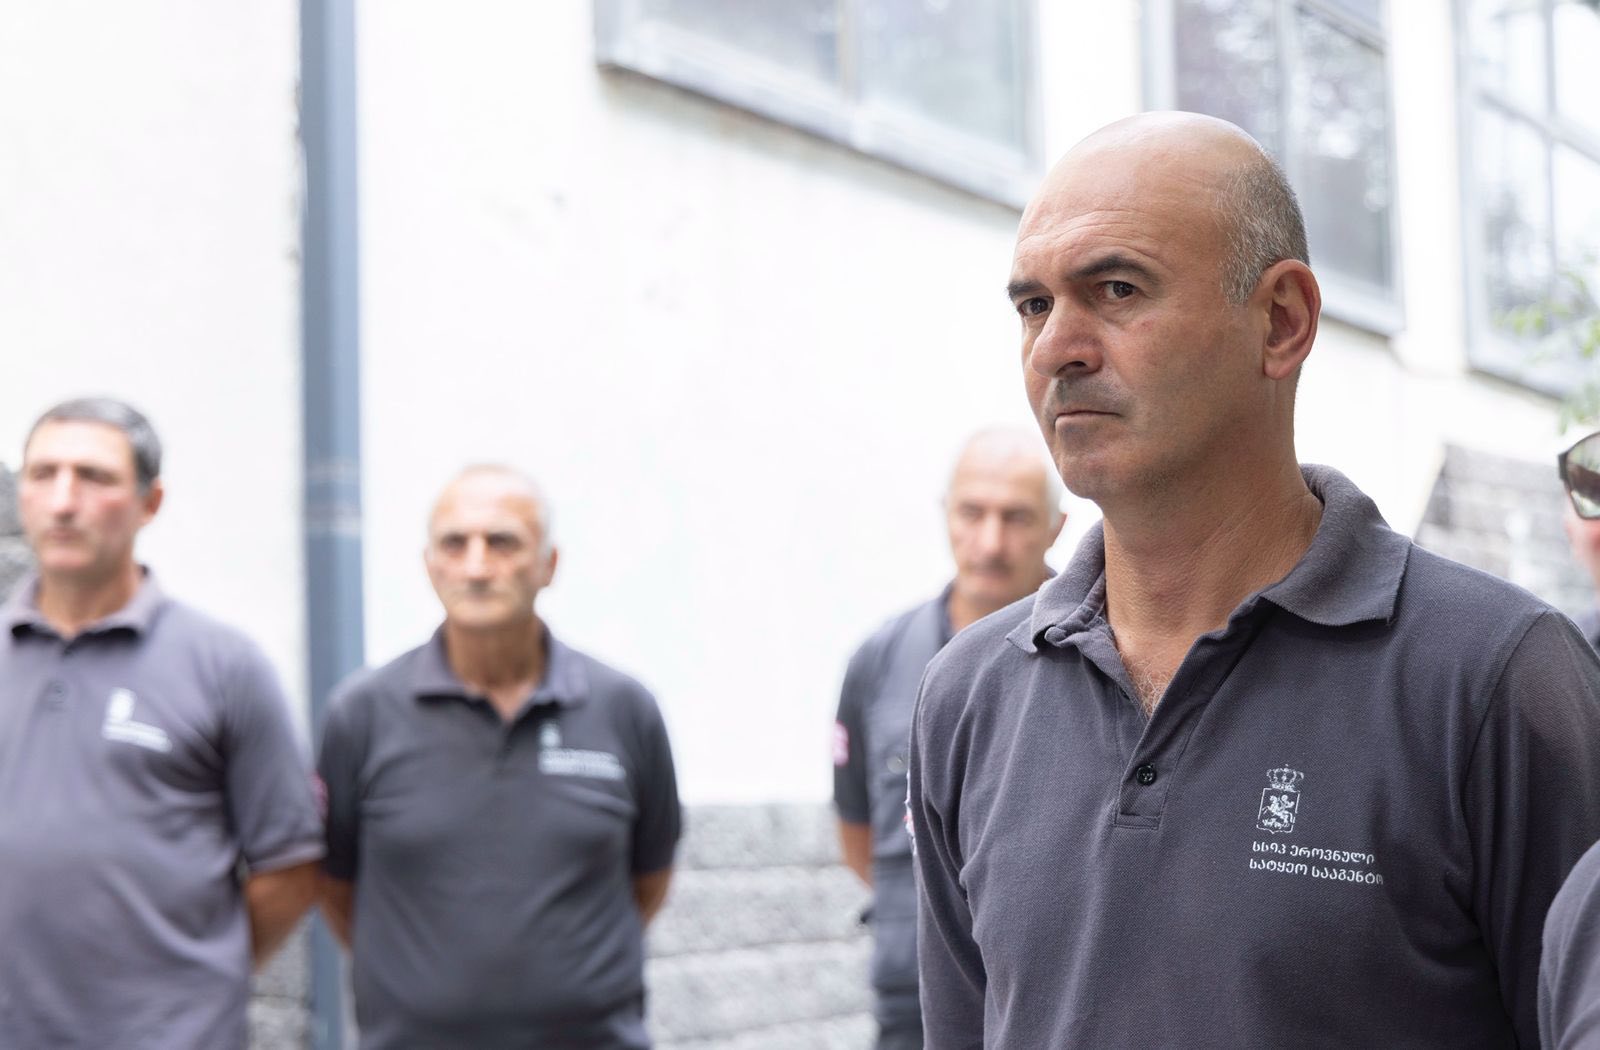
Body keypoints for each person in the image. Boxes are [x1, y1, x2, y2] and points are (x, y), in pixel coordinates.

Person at [906, 112, 1600, 1049]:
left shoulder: (1493, 681)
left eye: (1116, 290)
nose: (1055, 348)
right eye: (1033, 305)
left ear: (1282, 321)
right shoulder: (967, 697)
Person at [318, 464, 682, 1049]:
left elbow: (649, 879)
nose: (477, 567)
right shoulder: (360, 715)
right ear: (429, 564)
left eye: (502, 542)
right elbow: (335, 888)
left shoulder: (624, 709)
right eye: (454, 544)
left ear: (549, 564)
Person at [0, 397, 323, 1048]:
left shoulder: (223, 666)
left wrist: (195, 983)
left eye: (94, 477)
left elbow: (290, 865)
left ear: (150, 502)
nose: (63, 502)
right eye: (43, 474)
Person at [833, 427, 1064, 1050]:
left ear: (1057, 526)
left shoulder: (1099, 643)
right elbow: (858, 832)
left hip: (1050, 1004)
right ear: (945, 515)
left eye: (1016, 518)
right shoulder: (880, 660)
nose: (991, 542)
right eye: (972, 513)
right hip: (913, 1001)